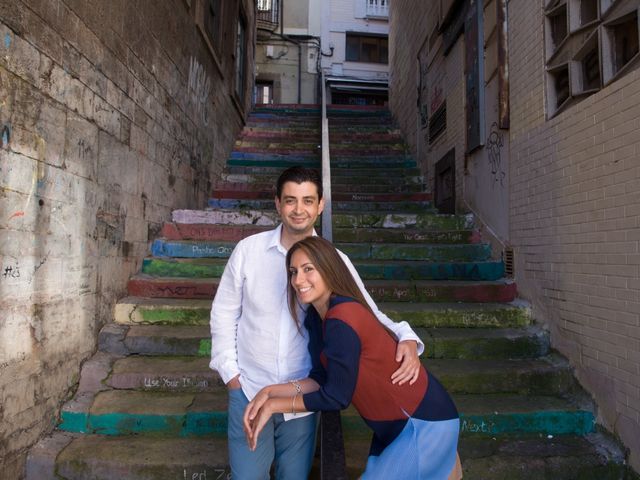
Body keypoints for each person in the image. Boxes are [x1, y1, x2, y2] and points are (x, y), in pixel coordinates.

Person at [210, 166, 425, 479]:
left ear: (320, 205)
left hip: (301, 393)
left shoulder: (333, 260)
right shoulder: (248, 251)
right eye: (291, 200)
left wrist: (405, 336)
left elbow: (366, 311)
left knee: (294, 476)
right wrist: (231, 375)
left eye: (308, 200)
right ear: (277, 203)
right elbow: (224, 312)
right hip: (249, 386)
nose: (299, 210)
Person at [243, 236, 462, 480]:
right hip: (392, 428)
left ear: (328, 269)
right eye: (293, 272)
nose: (298, 280)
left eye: (308, 270)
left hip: (423, 422)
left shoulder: (342, 316)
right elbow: (321, 379)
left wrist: (275, 405)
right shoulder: (316, 318)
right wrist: (271, 391)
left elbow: (337, 396)